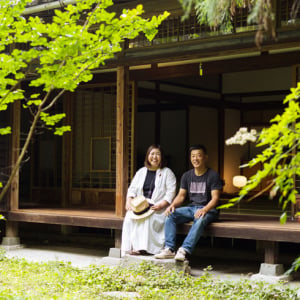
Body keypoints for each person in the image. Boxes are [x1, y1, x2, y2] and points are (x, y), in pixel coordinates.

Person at [155, 144, 223, 261]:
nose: (195, 159)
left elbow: (215, 198)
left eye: (198, 156)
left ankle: (184, 249)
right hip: (191, 208)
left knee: (200, 218)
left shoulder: (213, 175)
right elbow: (181, 196)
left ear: (205, 157)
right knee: (170, 215)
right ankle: (169, 249)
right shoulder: (187, 176)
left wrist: (205, 209)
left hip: (208, 210)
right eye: (193, 156)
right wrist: (172, 206)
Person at [121, 144, 176, 256]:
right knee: (128, 217)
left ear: (162, 157)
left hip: (157, 208)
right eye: (152, 154)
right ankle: (129, 248)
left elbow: (171, 193)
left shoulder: (167, 172)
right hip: (141, 206)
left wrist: (161, 205)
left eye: (158, 154)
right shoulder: (141, 172)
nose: (154, 157)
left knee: (148, 218)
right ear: (147, 156)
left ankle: (143, 248)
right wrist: (129, 201)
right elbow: (132, 189)